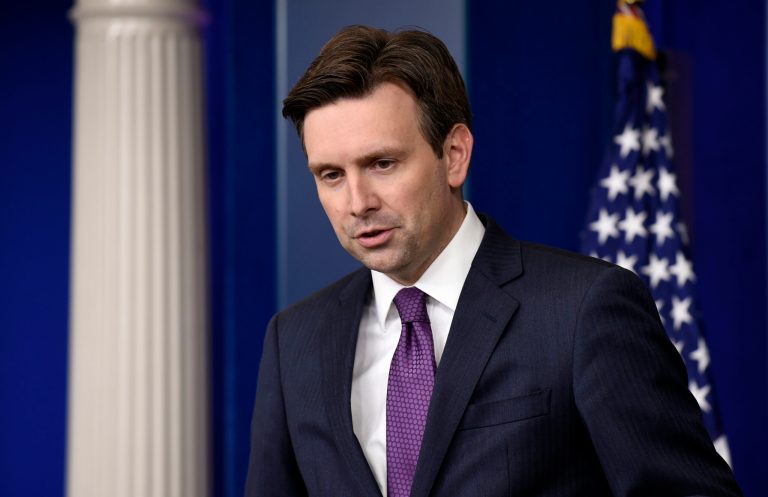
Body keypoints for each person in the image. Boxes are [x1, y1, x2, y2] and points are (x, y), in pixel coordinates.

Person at [245, 25, 742, 497]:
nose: (358, 203)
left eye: (382, 163)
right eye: (331, 175)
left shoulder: (584, 310)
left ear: (454, 154)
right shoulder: (294, 341)